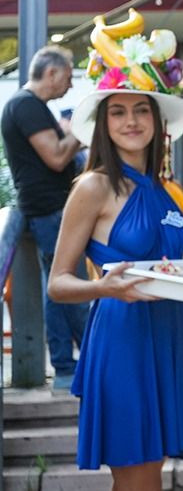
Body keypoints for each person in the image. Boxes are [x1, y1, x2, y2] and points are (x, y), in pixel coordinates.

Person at [46, 19, 183, 488]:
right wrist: (103, 287)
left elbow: (171, 264)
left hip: (170, 333)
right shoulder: (92, 187)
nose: (131, 122)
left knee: (151, 476)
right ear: (103, 123)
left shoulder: (166, 188)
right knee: (135, 478)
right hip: (122, 338)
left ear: (158, 122)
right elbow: (57, 283)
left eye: (141, 110)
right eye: (118, 112)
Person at [0, 45, 89, 391]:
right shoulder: (26, 106)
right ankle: (67, 366)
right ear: (50, 74)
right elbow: (55, 157)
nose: (68, 85)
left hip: (52, 208)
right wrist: (81, 130)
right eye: (67, 77)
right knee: (62, 288)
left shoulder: (32, 107)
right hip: (48, 209)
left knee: (63, 287)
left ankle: (75, 362)